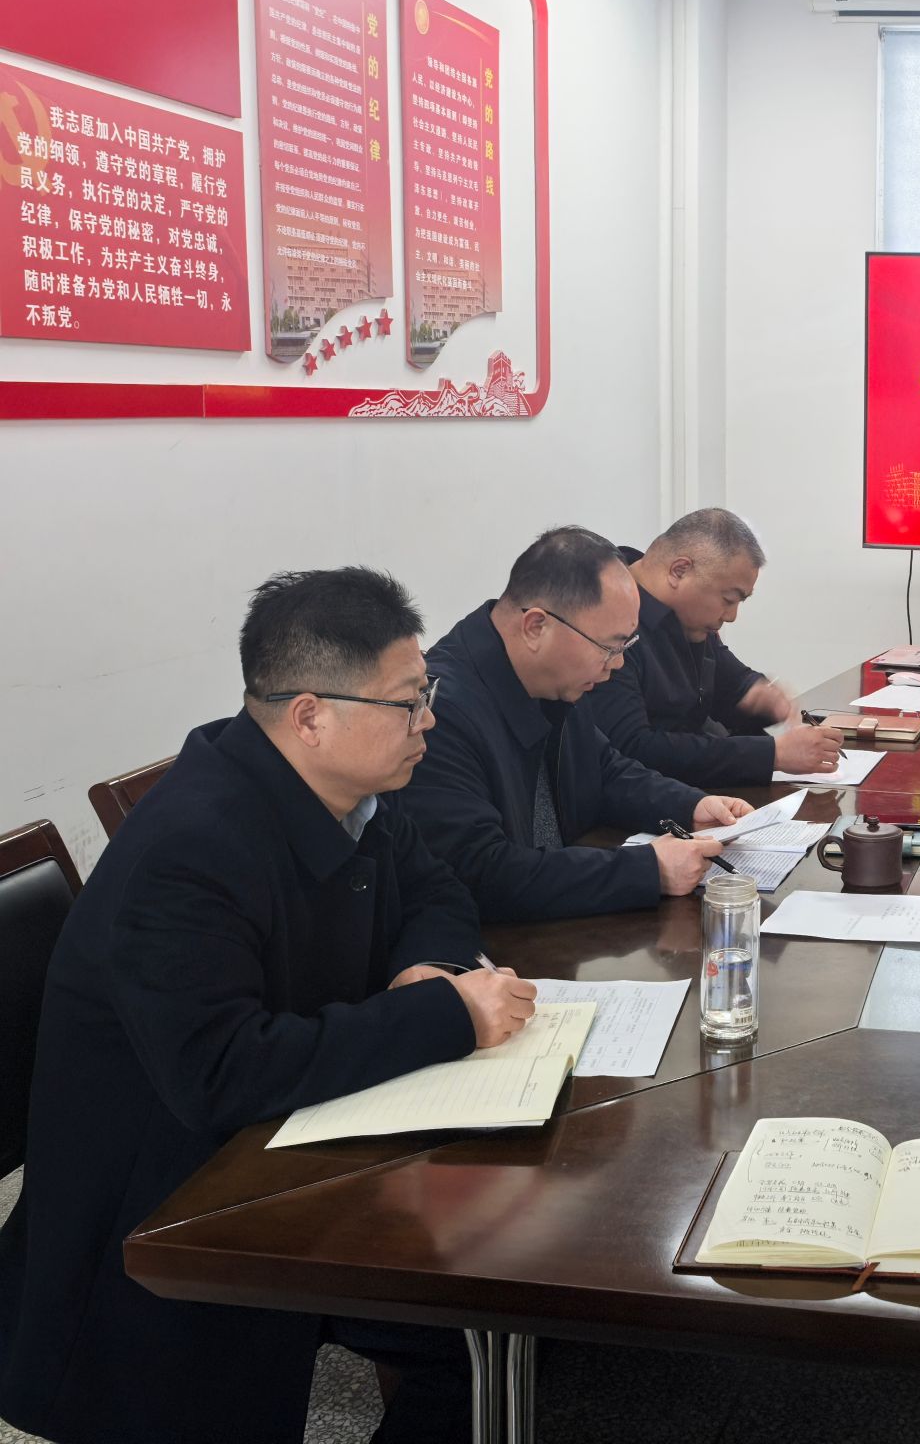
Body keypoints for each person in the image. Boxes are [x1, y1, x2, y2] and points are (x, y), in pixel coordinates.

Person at [0, 568, 537, 1444]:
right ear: (310, 716)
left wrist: (425, 970)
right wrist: (446, 1017)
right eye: (408, 702)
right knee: (471, 1318)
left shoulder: (349, 794)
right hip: (162, 1223)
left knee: (483, 1322)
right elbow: (221, 1073)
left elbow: (438, 889)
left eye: (427, 694)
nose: (429, 721)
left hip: (288, 1149)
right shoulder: (189, 849)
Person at [392, 526, 752, 922]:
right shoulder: (441, 714)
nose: (617, 663)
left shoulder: (556, 681)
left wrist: (691, 806)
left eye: (626, 646)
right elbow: (482, 872)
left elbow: (605, 770)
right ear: (536, 627)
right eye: (609, 646)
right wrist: (647, 870)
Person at [589, 508, 842, 786]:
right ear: (679, 571)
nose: (731, 616)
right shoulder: (610, 620)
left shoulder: (687, 617)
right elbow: (633, 748)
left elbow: (731, 682)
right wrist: (772, 754)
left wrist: (760, 696)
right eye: (728, 599)